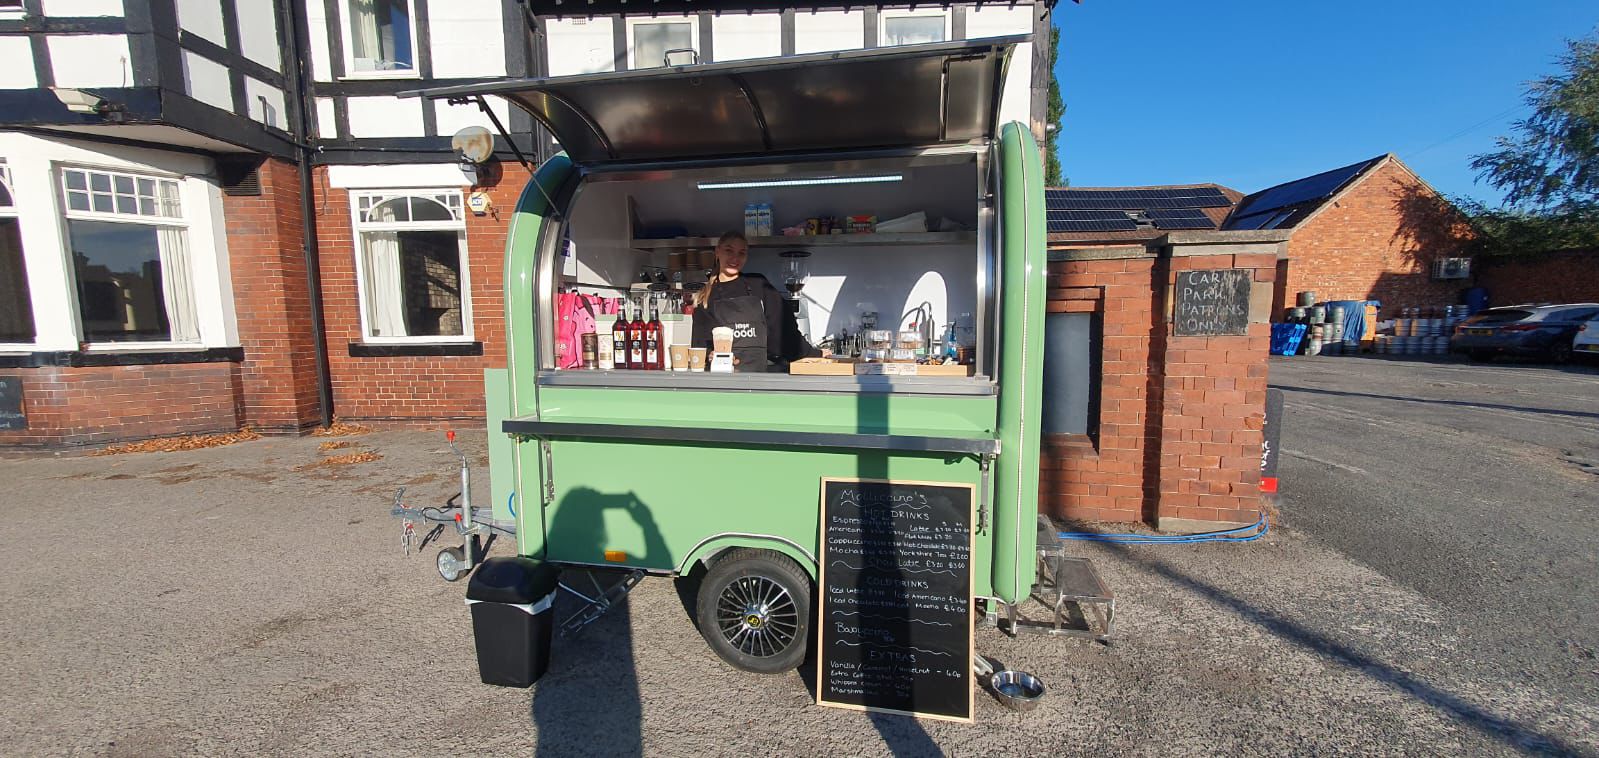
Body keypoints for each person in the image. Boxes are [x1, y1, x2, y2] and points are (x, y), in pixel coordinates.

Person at [691, 232, 786, 372]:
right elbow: (699, 346)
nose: (735, 258)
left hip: (759, 378)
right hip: (723, 381)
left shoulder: (758, 285)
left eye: (742, 252)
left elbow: (784, 327)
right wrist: (710, 355)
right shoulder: (705, 297)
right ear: (717, 252)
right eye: (729, 250)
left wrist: (813, 354)